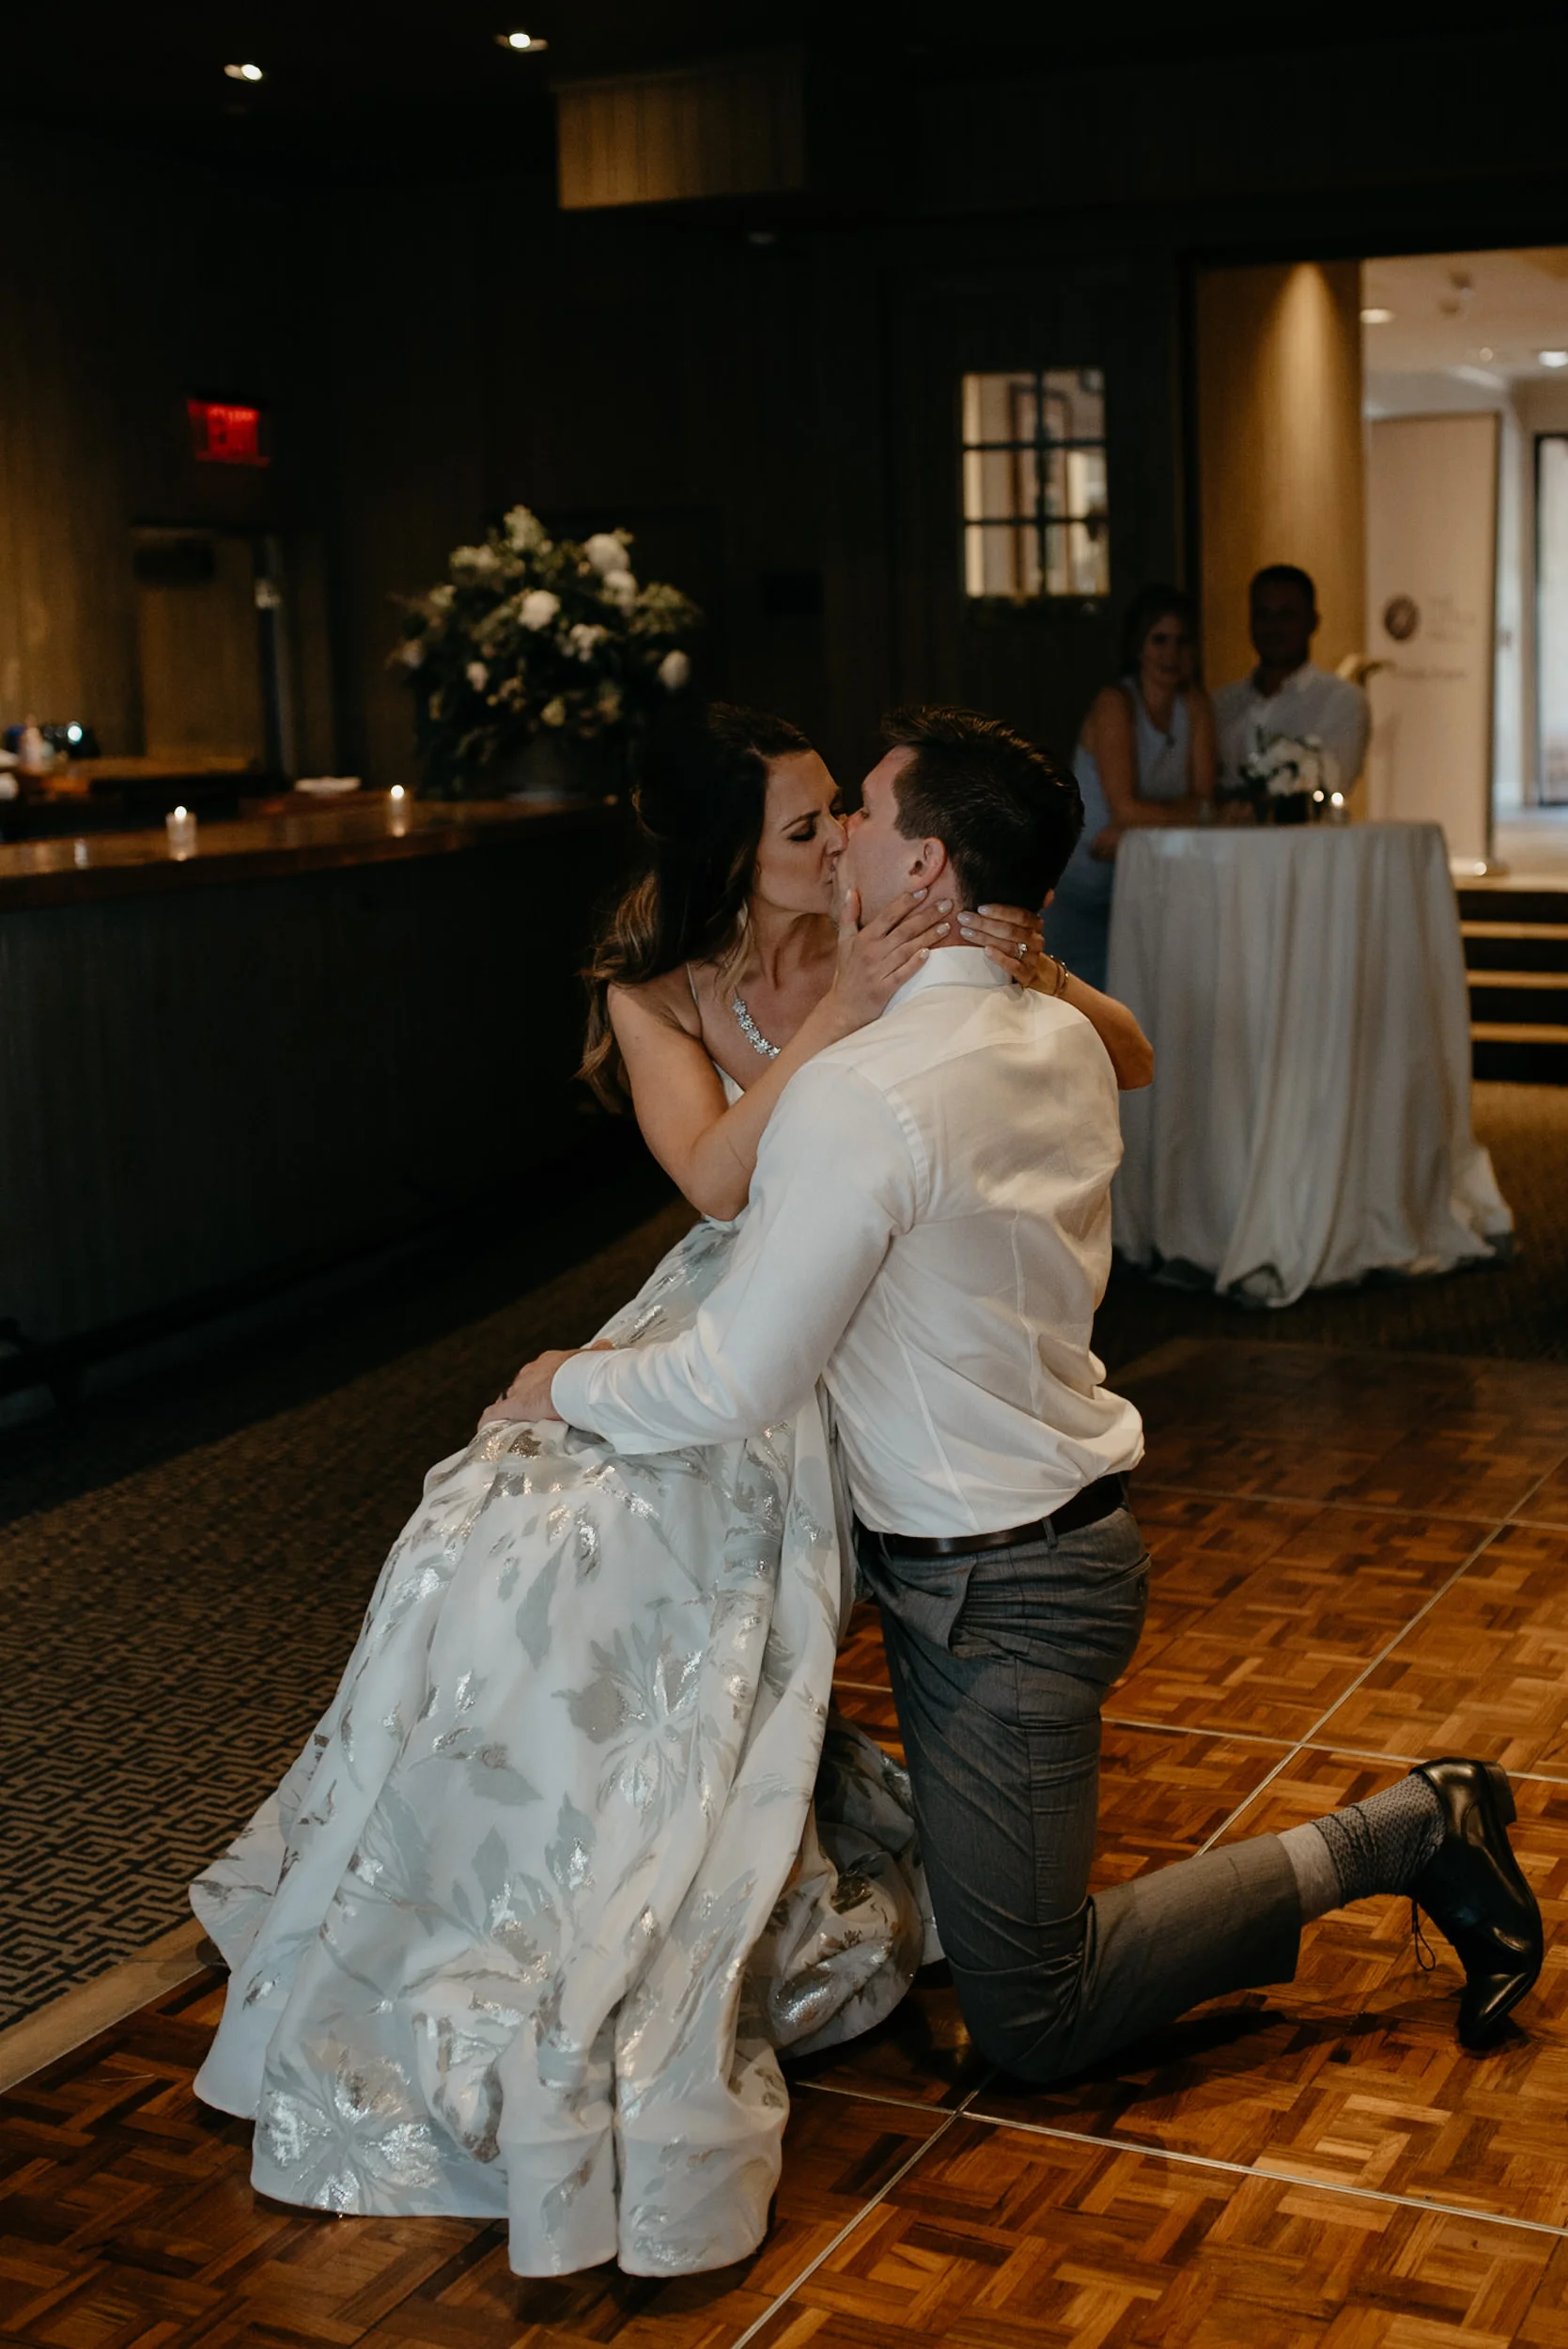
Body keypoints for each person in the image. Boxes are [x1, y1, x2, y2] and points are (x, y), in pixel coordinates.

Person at [189, 702, 1153, 2281]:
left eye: (844, 810)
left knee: (660, 1551)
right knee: (497, 1541)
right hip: (731, 1291)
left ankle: (711, 1859)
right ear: (737, 858)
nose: (836, 836)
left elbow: (1102, 1054)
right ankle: (498, 1876)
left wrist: (1002, 957)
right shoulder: (668, 994)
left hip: (829, 1335)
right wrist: (848, 1001)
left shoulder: (908, 955)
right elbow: (715, 1183)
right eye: (801, 825)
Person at [505, 702, 1543, 2150]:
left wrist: (561, 1383)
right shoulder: (1052, 1031)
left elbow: (734, 1380)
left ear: (924, 870)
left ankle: (1412, 1827)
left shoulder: (864, 1099)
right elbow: (1096, 1051)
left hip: (1002, 1587)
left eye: (860, 810)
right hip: (986, 1539)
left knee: (1033, 2015)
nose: (843, 834)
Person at [1042, 583, 1217, 992]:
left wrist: (1145, 824)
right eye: (1160, 640)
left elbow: (1205, 801)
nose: (1171, 653)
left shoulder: (1195, 705)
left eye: (1181, 641)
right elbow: (1127, 810)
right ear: (1139, 646)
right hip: (1086, 885)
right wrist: (1185, 815)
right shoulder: (1115, 703)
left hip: (1149, 883)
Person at [1215, 563, 1371, 798]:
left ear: (1313, 622)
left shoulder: (1341, 701)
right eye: (1263, 615)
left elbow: (1330, 786)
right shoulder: (1221, 704)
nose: (1274, 627)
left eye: (1286, 615)